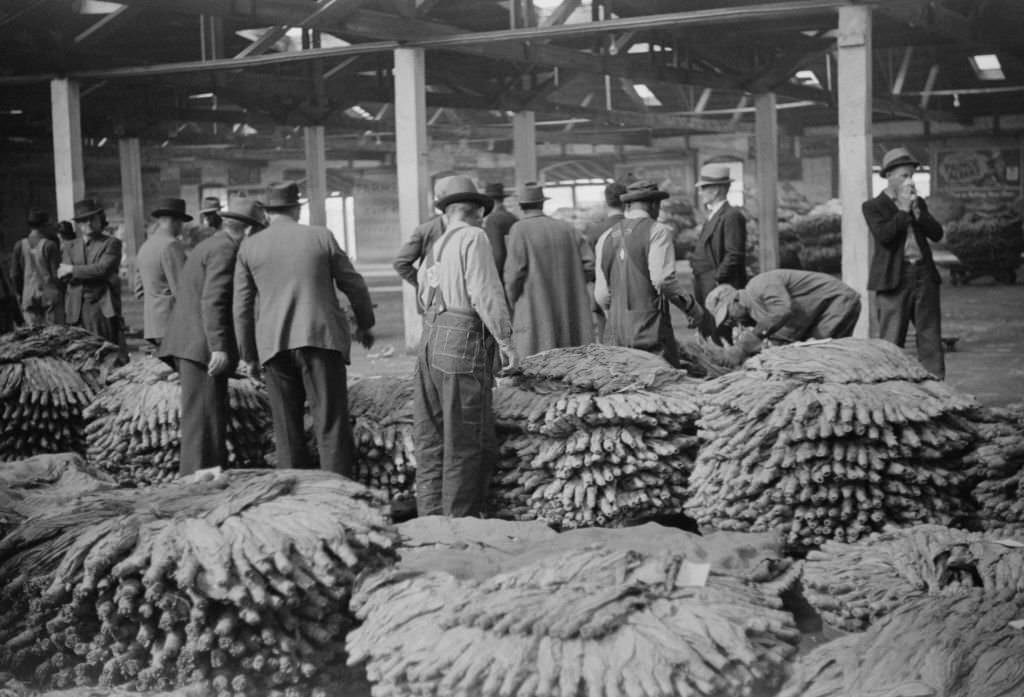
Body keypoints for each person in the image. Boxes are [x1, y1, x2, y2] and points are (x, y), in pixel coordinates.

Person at [234, 182, 375, 473]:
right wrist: (364, 324)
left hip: (274, 345)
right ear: (297, 208)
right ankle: (337, 491)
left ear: (266, 213)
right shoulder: (320, 237)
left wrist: (248, 355)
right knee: (330, 422)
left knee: (286, 427)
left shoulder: (249, 246)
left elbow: (242, 308)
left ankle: (295, 494)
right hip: (320, 339)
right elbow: (354, 285)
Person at [414, 175, 518, 517]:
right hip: (460, 341)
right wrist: (506, 340)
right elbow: (485, 293)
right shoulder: (474, 237)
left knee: (433, 437)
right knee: (466, 437)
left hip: (429, 340)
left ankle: (430, 517)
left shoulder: (436, 245)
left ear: (448, 212)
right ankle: (460, 522)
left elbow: (421, 297)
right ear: (477, 213)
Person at [160, 198, 265, 475]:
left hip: (191, 341)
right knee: (204, 419)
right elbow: (213, 300)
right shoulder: (225, 251)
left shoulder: (209, 244)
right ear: (248, 230)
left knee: (206, 417)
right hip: (202, 346)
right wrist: (219, 348)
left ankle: (203, 477)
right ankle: (195, 483)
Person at [594, 180, 704, 368]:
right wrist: (691, 308)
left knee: (625, 389)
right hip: (650, 330)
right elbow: (662, 280)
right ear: (654, 205)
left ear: (628, 205)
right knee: (661, 386)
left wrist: (615, 316)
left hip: (616, 332)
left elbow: (601, 294)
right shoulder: (658, 231)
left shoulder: (605, 237)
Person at [863, 147, 945, 379]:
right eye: (904, 176)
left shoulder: (918, 204)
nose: (910, 181)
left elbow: (937, 234)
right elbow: (885, 237)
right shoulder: (873, 207)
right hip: (893, 280)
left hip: (923, 275)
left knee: (930, 336)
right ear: (888, 176)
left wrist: (919, 214)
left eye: (912, 175)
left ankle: (937, 388)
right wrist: (902, 210)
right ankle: (891, 387)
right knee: (891, 339)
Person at [504, 181, 595, 356]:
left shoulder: (520, 229)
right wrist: (572, 282)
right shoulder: (566, 228)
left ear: (521, 205)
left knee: (537, 368)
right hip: (570, 310)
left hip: (535, 311)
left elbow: (514, 275)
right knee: (570, 365)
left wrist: (512, 301)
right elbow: (589, 265)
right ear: (542, 202)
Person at [704, 269, 863, 365]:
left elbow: (782, 311)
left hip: (836, 301)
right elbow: (786, 336)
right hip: (820, 313)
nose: (730, 322)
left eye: (728, 316)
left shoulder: (760, 284)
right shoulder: (756, 313)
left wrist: (747, 343)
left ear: (736, 301)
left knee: (819, 356)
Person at [691, 164, 748, 341]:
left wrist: (717, 279)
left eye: (703, 188)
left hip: (719, 286)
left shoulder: (731, 216)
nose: (700, 193)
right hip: (706, 283)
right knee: (709, 330)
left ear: (715, 189)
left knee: (721, 333)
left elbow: (734, 254)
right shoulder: (714, 215)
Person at [58, 198, 124, 350]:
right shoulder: (70, 246)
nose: (87, 223)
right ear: (78, 224)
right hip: (75, 311)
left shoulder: (111, 243)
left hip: (100, 309)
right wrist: (78, 272)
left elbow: (102, 269)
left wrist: (73, 270)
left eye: (91, 219)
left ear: (99, 219)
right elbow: (63, 276)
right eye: (82, 220)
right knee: (79, 354)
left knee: (104, 353)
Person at [134, 197, 188, 347]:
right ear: (175, 221)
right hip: (172, 324)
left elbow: (138, 290)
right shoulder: (171, 246)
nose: (181, 227)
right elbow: (182, 290)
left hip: (152, 325)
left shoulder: (145, 246)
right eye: (181, 222)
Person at [584, 182, 627, 341]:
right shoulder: (634, 227)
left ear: (606, 201)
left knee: (607, 345)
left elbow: (589, 267)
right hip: (632, 297)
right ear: (626, 201)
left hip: (603, 296)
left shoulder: (595, 231)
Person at [10, 208, 64, 326]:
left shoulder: (19, 245)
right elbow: (56, 274)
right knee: (54, 336)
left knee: (35, 339)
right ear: (44, 225)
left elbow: (14, 274)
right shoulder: (50, 245)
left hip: (28, 295)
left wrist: (20, 292)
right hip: (49, 295)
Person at [393, 182, 447, 295]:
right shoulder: (425, 230)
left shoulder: (473, 231)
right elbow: (400, 263)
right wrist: (425, 284)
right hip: (434, 301)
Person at [482, 182, 517, 274]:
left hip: (501, 272)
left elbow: (498, 254)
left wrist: (493, 274)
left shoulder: (493, 220)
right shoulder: (512, 217)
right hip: (514, 267)